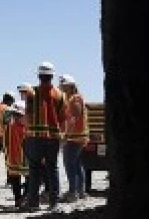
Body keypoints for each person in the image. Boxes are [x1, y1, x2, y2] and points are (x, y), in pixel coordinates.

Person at [22, 61, 67, 212]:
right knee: (52, 169)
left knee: (34, 170)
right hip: (53, 138)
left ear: (39, 76)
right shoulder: (60, 95)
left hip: (34, 137)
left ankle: (33, 202)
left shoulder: (31, 93)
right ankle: (54, 203)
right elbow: (63, 119)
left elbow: (27, 114)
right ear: (52, 76)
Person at [59, 74, 89, 202]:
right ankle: (80, 191)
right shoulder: (71, 98)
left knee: (70, 164)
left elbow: (73, 118)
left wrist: (66, 135)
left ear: (71, 86)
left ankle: (73, 192)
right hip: (77, 137)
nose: (62, 88)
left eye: (64, 86)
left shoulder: (75, 99)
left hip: (74, 137)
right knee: (76, 164)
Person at [4, 100, 29, 209]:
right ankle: (22, 198)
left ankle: (19, 199)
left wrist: (7, 154)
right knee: (30, 178)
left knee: (16, 179)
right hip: (24, 159)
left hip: (13, 158)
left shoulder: (9, 127)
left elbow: (5, 142)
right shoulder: (26, 128)